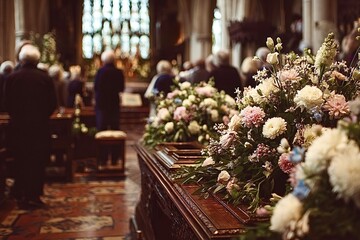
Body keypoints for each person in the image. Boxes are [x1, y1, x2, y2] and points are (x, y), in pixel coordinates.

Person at [4, 44, 57, 209]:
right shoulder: (45, 78)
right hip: (39, 128)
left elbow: (6, 103)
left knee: (21, 160)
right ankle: (34, 195)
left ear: (21, 59)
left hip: (18, 128)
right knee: (37, 161)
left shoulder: (12, 78)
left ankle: (21, 194)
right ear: (37, 60)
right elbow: (52, 104)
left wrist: (18, 117)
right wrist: (40, 116)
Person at [94, 49, 125, 166]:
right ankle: (114, 159)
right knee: (115, 130)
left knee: (102, 131)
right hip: (114, 106)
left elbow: (96, 88)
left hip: (102, 106)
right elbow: (121, 88)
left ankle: (102, 158)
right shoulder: (118, 72)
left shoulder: (100, 72)